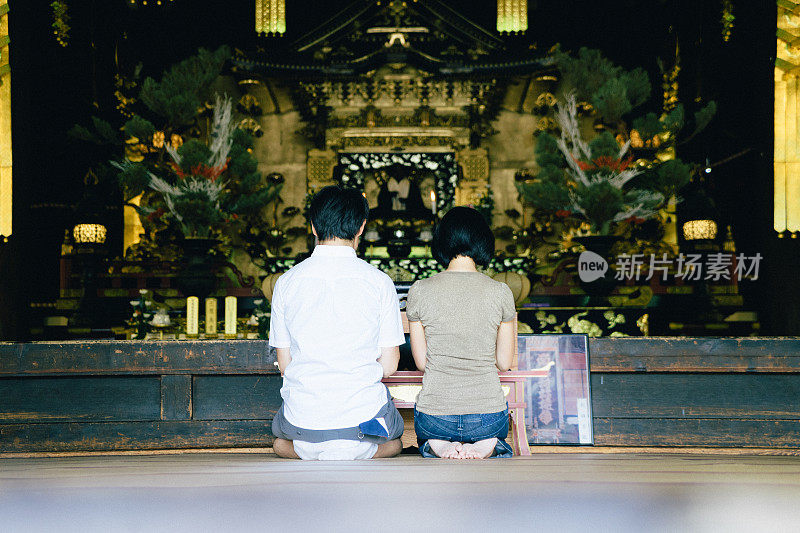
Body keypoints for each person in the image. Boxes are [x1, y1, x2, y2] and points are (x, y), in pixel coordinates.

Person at [269, 185, 406, 460]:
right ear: (361, 228)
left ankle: (314, 447)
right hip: (363, 428)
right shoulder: (380, 282)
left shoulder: (286, 283)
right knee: (396, 443)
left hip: (303, 426)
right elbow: (389, 366)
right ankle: (354, 450)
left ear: (313, 227)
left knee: (279, 444)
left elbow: (285, 365)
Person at [406, 206, 517, 459]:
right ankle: (488, 443)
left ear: (441, 241)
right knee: (492, 429)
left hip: (436, 416)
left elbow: (423, 363)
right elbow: (503, 362)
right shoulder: (500, 292)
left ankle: (435, 443)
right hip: (488, 416)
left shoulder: (420, 290)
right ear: (484, 241)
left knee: (429, 431)